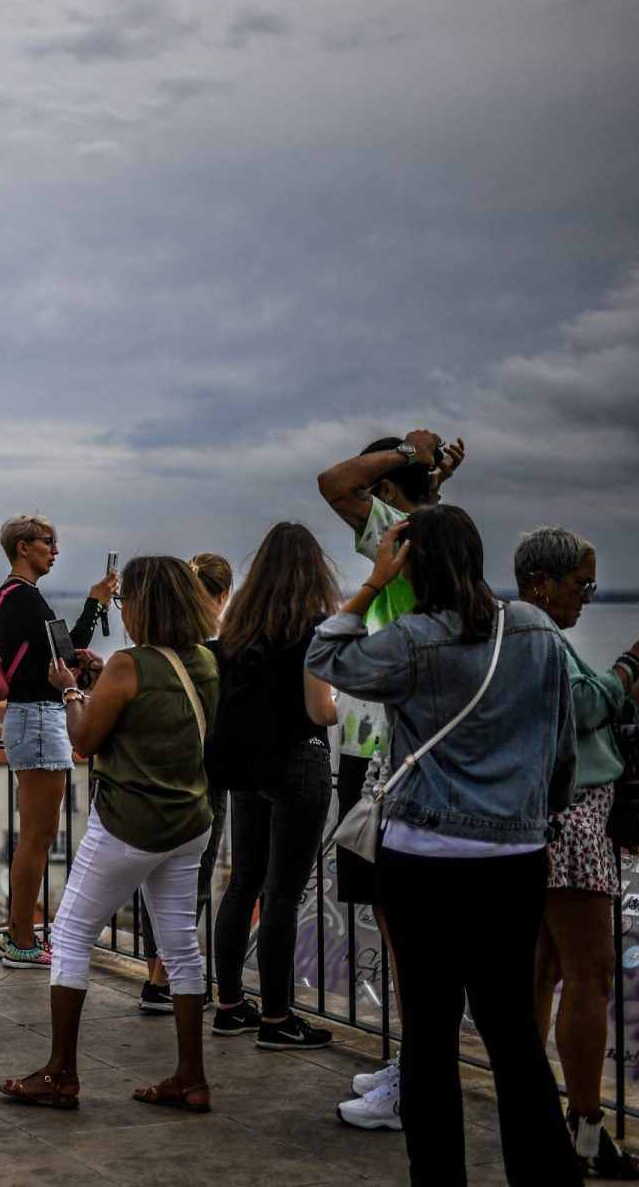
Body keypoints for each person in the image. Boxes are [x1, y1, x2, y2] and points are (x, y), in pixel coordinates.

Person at [308, 506, 578, 1185]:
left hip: (423, 858)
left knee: (429, 1033)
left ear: (414, 564)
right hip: (512, 861)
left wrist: (373, 583)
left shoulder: (411, 638)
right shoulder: (537, 630)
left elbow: (324, 655)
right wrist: (534, 824)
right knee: (513, 1033)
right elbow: (560, 748)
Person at [1, 556, 220, 1113]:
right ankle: (190, 1077)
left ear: (146, 604)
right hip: (189, 821)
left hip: (129, 822)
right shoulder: (205, 663)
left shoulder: (129, 663)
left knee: (71, 936)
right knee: (181, 946)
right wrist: (102, 686)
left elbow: (85, 741)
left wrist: (72, 690)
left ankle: (60, 1073)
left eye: (126, 603)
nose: (123, 611)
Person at [517, 526, 639, 1179]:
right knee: (593, 974)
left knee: (545, 972)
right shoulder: (536, 638)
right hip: (572, 824)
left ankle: (539, 1121)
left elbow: (596, 714)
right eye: (581, 585)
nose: (587, 596)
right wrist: (635, 652)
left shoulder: (536, 636)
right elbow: (585, 704)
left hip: (551, 822)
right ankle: (585, 1137)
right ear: (542, 583)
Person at [314, 428, 465, 1126]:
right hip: (402, 744)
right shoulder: (430, 535)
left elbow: (332, 480)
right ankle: (414, 1063)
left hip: (386, 748)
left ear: (381, 495)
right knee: (405, 922)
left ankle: (419, 1079)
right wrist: (428, 475)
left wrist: (410, 455)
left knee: (405, 925)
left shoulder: (396, 530)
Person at [207, 524, 340, 1048]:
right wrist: (341, 705)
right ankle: (279, 1020)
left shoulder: (240, 628)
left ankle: (230, 1004)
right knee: (282, 893)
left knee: (243, 884)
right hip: (299, 764)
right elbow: (318, 708)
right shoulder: (313, 628)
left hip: (248, 769)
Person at [0, 514, 112, 968]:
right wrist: (94, 603)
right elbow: (61, 656)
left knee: (39, 835)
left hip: (36, 718)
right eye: (48, 542)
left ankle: (20, 934)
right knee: (38, 837)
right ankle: (21, 938)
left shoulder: (16, 597)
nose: (55, 551)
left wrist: (76, 656)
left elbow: (62, 656)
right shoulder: (22, 598)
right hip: (38, 718)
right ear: (24, 546)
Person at [139, 553, 231, 1009]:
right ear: (221, 597)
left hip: (162, 773)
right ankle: (163, 980)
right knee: (193, 877)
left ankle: (156, 971)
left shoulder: (166, 651)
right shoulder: (217, 654)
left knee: (158, 877)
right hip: (207, 776)